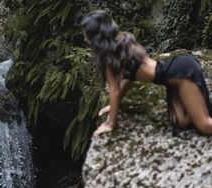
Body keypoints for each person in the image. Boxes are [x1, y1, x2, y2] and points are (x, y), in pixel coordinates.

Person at [81, 10, 212, 136]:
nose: (85, 38)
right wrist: (113, 105)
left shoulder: (108, 58)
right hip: (174, 71)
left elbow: (114, 90)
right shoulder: (123, 40)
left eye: (87, 34)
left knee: (205, 126)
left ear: (96, 37)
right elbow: (129, 78)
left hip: (180, 73)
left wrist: (110, 124)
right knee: (180, 122)